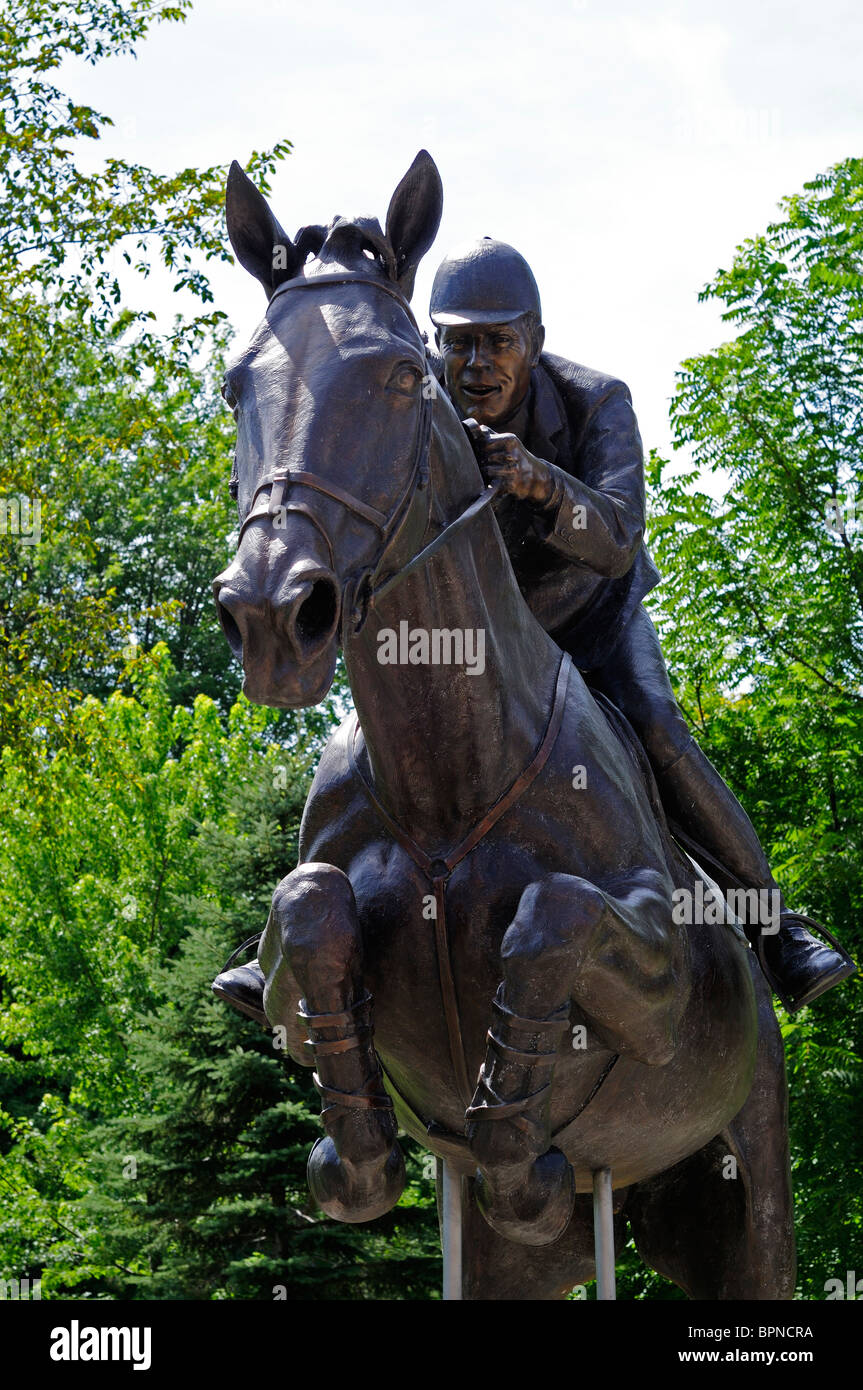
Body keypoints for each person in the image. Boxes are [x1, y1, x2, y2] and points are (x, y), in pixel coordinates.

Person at [212, 238, 855, 1022]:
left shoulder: (595, 401)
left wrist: (536, 480)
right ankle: (277, 939)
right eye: (457, 343)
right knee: (356, 747)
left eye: (498, 343)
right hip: (475, 650)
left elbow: (617, 540)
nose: (476, 366)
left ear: (535, 342)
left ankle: (771, 926)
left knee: (655, 725)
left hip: (587, 622)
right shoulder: (409, 403)